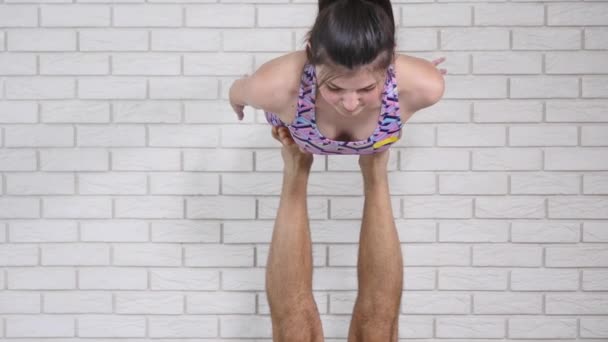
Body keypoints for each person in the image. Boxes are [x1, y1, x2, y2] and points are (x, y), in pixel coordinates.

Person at [229, 0, 446, 339]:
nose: (349, 103)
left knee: (378, 329)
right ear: (311, 54)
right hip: (299, 138)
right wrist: (241, 95)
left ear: (390, 63)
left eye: (366, 89)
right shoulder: (276, 85)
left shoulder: (422, 85)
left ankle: (374, 171)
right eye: (333, 87)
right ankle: (298, 170)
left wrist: (411, 78)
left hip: (375, 142)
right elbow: (239, 90)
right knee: (294, 331)